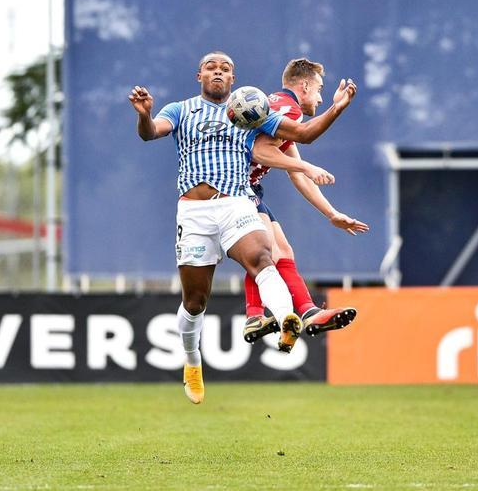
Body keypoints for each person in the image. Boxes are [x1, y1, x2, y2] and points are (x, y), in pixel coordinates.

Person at [128, 51, 357, 404]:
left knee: (263, 258)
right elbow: (151, 133)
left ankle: (286, 320)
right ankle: (192, 362)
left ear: (233, 79)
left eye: (225, 69)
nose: (218, 72)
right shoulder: (180, 110)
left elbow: (304, 134)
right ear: (199, 75)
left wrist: (337, 107)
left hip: (236, 201)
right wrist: (144, 116)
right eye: (211, 67)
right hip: (193, 212)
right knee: (195, 301)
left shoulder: (252, 111)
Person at [242, 58, 369, 344]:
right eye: (320, 89)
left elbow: (296, 174)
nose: (321, 97)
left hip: (248, 188)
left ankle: (305, 311)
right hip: (235, 188)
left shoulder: (279, 108)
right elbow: (260, 152)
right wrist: (308, 167)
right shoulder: (290, 109)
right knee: (266, 252)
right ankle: (257, 316)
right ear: (305, 85)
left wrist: (332, 213)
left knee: (282, 252)